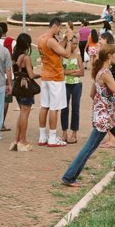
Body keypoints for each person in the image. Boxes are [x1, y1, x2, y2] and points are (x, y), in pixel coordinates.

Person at [60, 38, 115, 186]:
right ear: (110, 56)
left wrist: (104, 103)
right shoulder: (105, 73)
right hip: (105, 118)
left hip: (108, 116)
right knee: (89, 148)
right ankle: (69, 177)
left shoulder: (100, 72)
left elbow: (93, 94)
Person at [35, 18, 75, 148]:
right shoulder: (51, 40)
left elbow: (56, 48)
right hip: (55, 77)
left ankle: (42, 136)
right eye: (59, 28)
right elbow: (67, 54)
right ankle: (52, 138)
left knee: (44, 106)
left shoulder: (41, 38)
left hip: (45, 75)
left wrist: (63, 39)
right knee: (54, 108)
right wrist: (69, 40)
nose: (60, 30)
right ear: (55, 26)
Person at [9, 32, 38, 152]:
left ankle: (16, 140)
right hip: (26, 86)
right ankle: (23, 141)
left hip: (17, 85)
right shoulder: (26, 57)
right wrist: (38, 75)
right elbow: (30, 74)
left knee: (21, 113)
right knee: (25, 114)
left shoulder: (14, 56)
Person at [61, 38, 83, 144]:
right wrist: (74, 70)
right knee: (64, 108)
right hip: (65, 84)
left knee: (75, 108)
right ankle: (64, 132)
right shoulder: (62, 56)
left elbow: (82, 72)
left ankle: (74, 134)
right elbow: (61, 71)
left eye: (76, 43)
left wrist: (67, 72)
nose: (75, 45)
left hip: (76, 85)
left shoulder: (78, 56)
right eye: (73, 43)